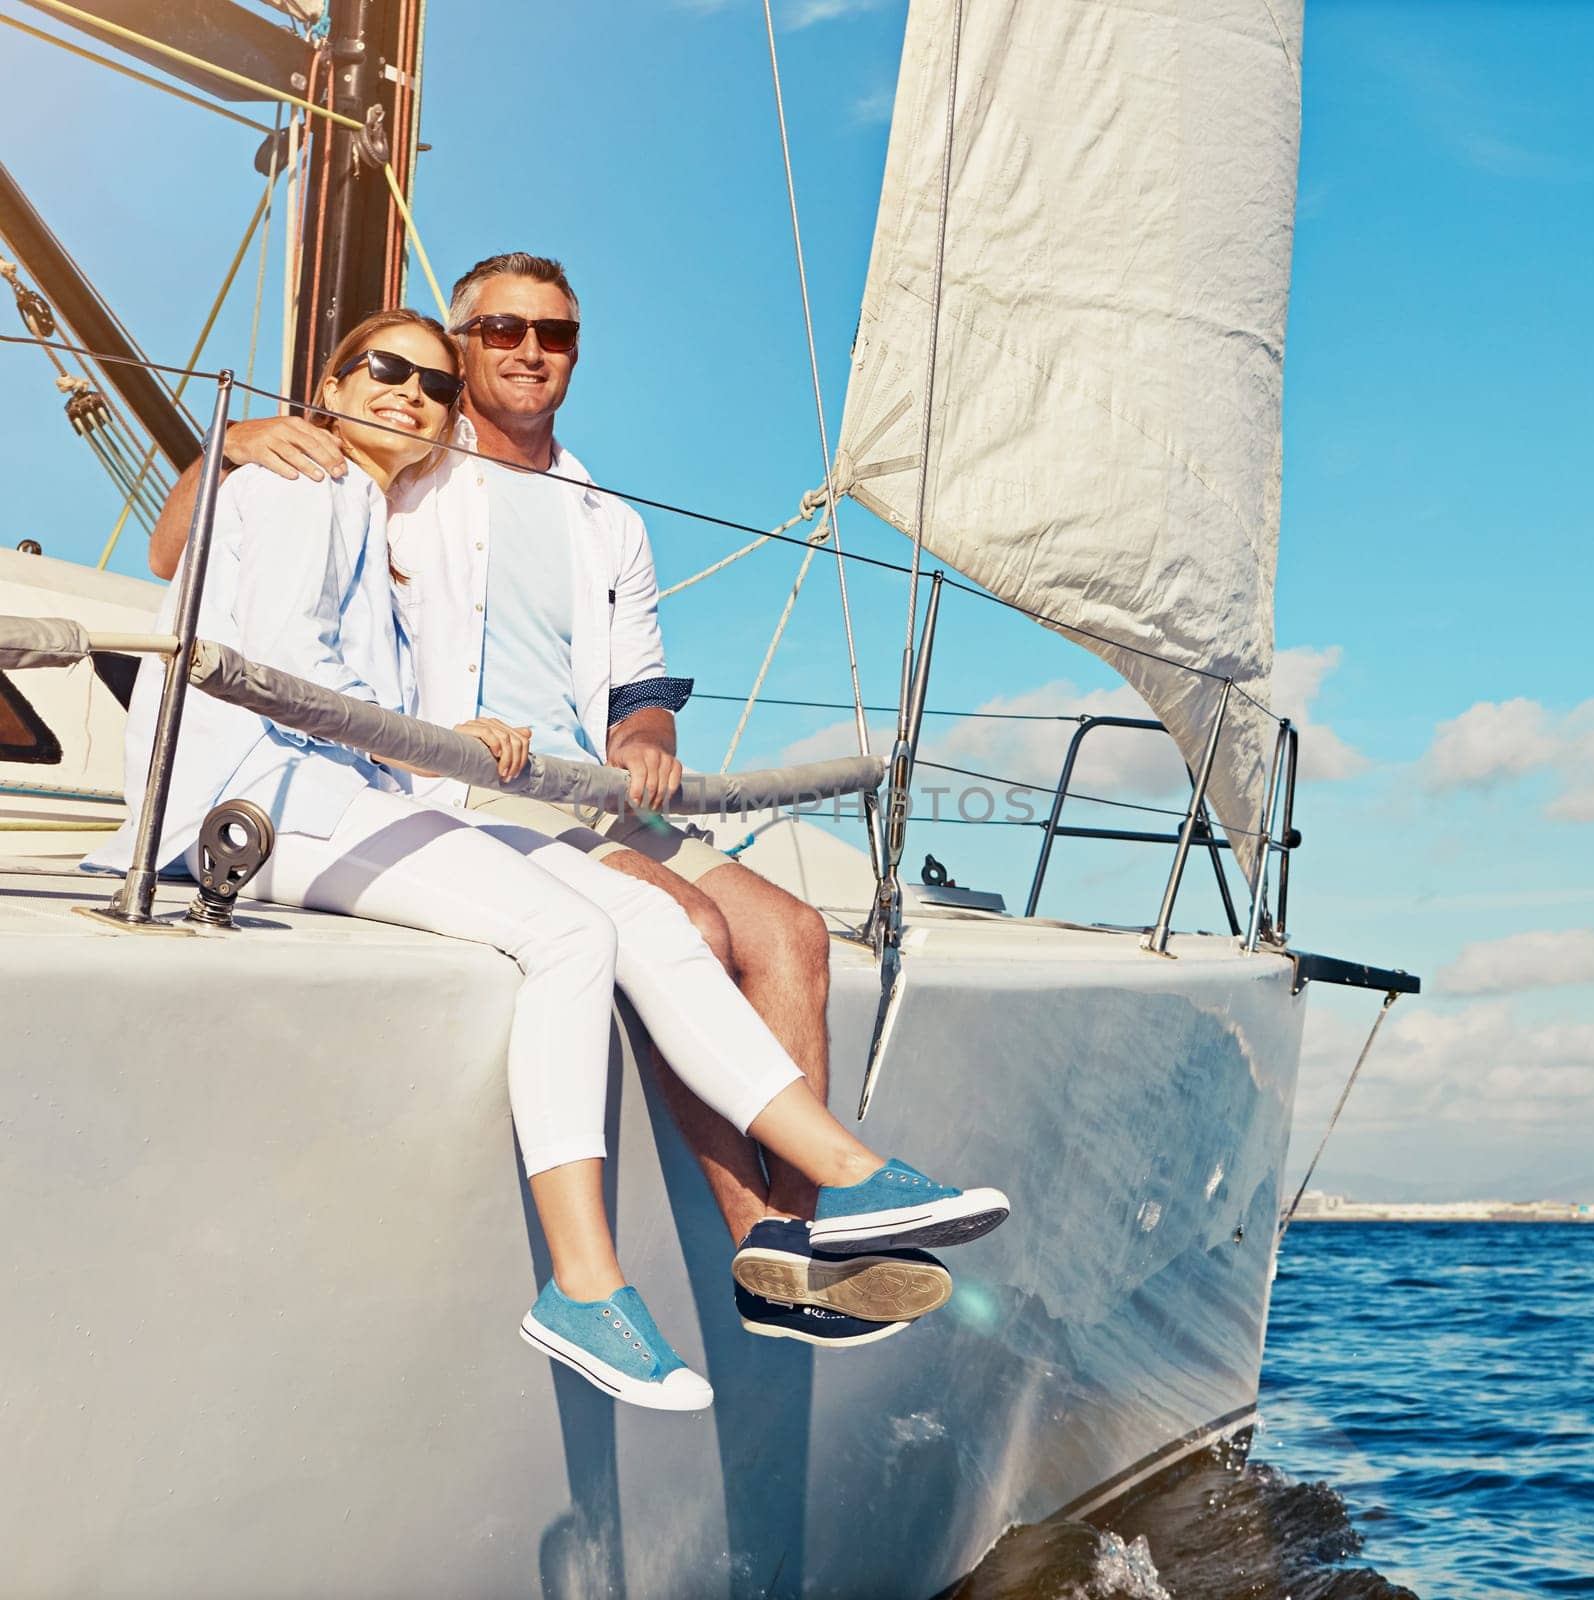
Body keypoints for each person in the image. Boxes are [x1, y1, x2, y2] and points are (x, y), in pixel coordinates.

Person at [110, 308, 1010, 1409]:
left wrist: (456, 734)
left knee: (648, 919)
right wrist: (243, 441)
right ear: (327, 388)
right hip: (263, 799)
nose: (410, 393)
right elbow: (287, 665)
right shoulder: (307, 481)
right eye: (382, 370)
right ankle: (586, 1284)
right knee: (572, 930)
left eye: (433, 387)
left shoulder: (377, 513)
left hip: (351, 789)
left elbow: (361, 683)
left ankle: (847, 1174)